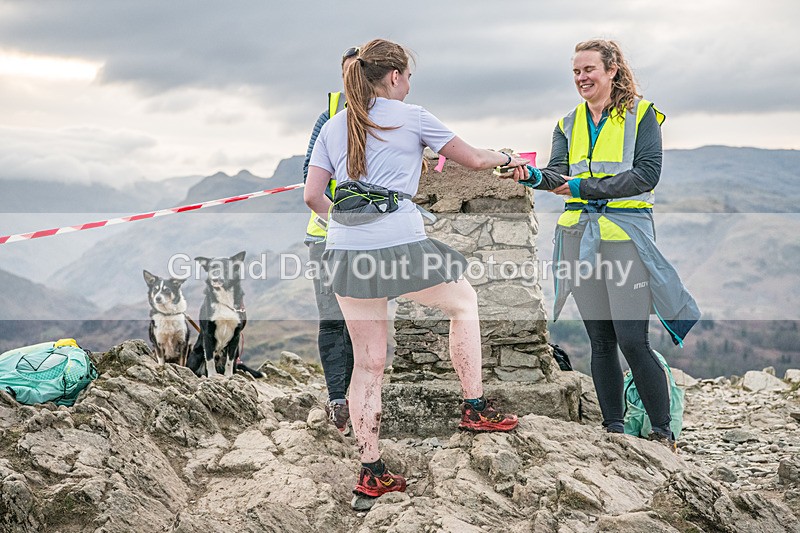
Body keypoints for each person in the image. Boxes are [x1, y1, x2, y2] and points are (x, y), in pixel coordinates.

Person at [305, 38, 525, 498]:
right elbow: (476, 160)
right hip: (399, 242)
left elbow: (311, 197)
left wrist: (350, 225)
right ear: (393, 76)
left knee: (368, 364)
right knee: (464, 302)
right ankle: (473, 407)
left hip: (345, 251)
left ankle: (371, 472)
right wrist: (509, 157)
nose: (408, 85)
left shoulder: (333, 125)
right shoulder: (413, 116)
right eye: (407, 77)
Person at [514, 39, 700, 450]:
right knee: (600, 342)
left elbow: (647, 174)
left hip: (624, 241)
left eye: (589, 69)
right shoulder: (567, 123)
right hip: (579, 238)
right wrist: (527, 175)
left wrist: (583, 187)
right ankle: (613, 429)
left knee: (633, 341)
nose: (581, 77)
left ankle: (662, 434)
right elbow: (557, 175)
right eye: (576, 71)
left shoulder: (643, 114)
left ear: (612, 70)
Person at [302, 46, 360, 434]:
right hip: (326, 236)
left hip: (369, 240)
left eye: (358, 71)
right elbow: (309, 172)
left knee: (362, 322)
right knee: (332, 320)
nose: (351, 79)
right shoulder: (329, 116)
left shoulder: (391, 114)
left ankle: (360, 398)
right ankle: (338, 400)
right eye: (346, 72)